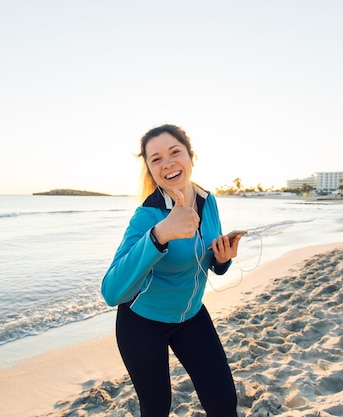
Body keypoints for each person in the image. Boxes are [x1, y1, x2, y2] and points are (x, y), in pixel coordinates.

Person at [101, 124, 241, 417]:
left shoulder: (207, 200)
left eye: (174, 152)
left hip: (191, 317)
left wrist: (223, 260)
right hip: (141, 323)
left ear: (191, 156)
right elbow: (111, 291)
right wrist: (159, 234)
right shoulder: (148, 216)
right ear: (151, 170)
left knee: (224, 402)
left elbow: (210, 263)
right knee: (156, 409)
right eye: (156, 159)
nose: (167, 163)